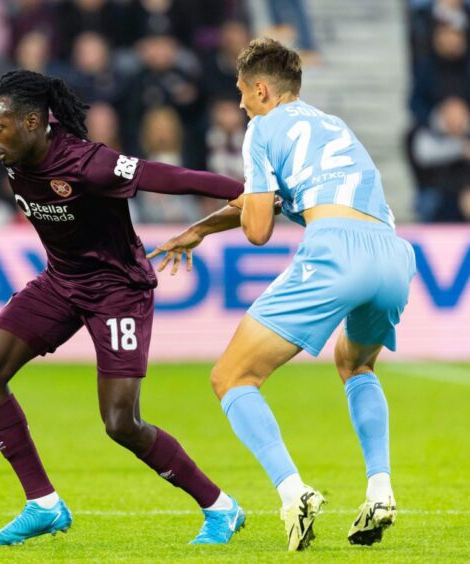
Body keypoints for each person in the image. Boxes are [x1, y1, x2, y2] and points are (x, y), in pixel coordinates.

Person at [149, 38, 415, 551]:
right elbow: (281, 199)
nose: (241, 103)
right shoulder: (332, 126)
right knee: (356, 365)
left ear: (263, 90)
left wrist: (235, 208)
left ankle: (293, 493)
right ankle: (380, 489)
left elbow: (258, 228)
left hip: (336, 252)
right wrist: (201, 229)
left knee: (231, 377)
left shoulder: (261, 129)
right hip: (391, 254)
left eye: (243, 92)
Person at [0, 69, 246, 546]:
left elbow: (167, 176)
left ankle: (222, 508)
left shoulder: (88, 164)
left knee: (120, 423)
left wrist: (243, 191)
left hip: (118, 289)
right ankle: (44, 505)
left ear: (33, 121)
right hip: (61, 282)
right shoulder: (14, 156)